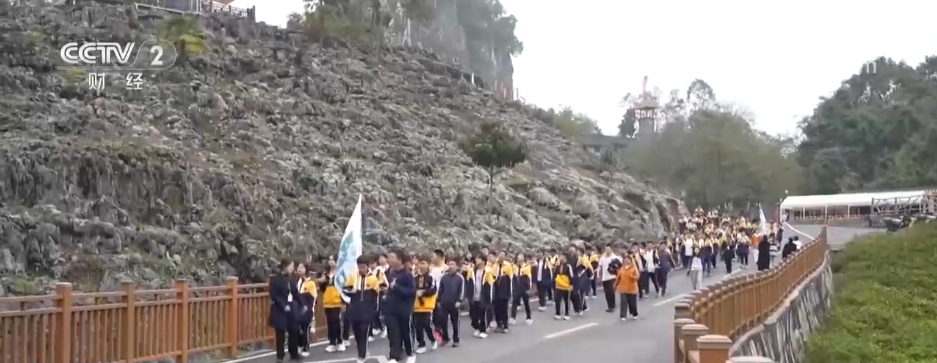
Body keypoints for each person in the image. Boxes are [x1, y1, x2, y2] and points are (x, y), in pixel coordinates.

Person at [343, 256, 380, 363]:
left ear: (368, 266)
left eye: (363, 267)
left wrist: (375, 310)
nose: (361, 269)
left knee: (364, 333)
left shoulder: (373, 278)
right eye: (359, 267)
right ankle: (361, 349)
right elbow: (344, 290)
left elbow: (376, 296)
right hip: (355, 310)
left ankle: (361, 355)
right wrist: (351, 291)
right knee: (357, 334)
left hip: (367, 311)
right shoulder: (353, 277)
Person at [384, 250, 417, 363]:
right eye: (388, 257)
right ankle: (394, 355)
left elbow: (412, 292)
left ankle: (410, 353)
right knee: (393, 332)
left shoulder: (407, 274)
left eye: (392, 257)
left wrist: (396, 287)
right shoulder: (389, 273)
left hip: (404, 308)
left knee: (406, 332)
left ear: (400, 259)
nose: (389, 259)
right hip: (391, 308)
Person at [269, 259, 301, 363]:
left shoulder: (292, 278)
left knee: (294, 330)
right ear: (285, 266)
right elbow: (274, 295)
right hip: (280, 309)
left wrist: (301, 304)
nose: (292, 268)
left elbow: (295, 293)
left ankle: (294, 354)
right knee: (280, 334)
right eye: (291, 266)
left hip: (291, 307)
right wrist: (283, 305)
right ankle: (280, 356)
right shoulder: (275, 278)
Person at [319, 256, 346, 352]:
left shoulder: (340, 272)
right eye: (329, 259)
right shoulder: (325, 273)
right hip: (327, 302)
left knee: (336, 322)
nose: (330, 261)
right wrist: (322, 282)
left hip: (337, 301)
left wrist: (343, 302)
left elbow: (344, 288)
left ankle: (340, 341)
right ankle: (332, 342)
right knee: (330, 322)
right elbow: (322, 289)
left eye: (332, 259)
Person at [413, 256, 439, 354]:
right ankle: (421, 344)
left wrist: (423, 292)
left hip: (427, 305)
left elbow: (433, 289)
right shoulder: (415, 277)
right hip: (416, 306)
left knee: (427, 324)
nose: (421, 265)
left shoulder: (431, 277)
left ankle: (433, 339)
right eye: (420, 263)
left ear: (428, 265)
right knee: (417, 326)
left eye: (424, 263)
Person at [436, 259, 465, 347]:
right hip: (444, 303)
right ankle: (445, 338)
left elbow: (462, 290)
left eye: (453, 264)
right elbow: (440, 289)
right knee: (443, 322)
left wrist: (459, 301)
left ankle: (456, 339)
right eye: (450, 264)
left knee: (455, 322)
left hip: (454, 304)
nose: (451, 266)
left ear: (456, 266)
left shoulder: (460, 278)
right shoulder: (444, 277)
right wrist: (438, 300)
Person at [465, 255, 492, 338]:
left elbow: (490, 285)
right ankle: (476, 327)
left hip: (482, 296)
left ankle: (483, 330)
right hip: (473, 296)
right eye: (476, 259)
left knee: (482, 314)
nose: (476, 260)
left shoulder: (488, 272)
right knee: (473, 315)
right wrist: (467, 295)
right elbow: (468, 283)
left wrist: (489, 297)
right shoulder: (471, 271)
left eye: (478, 259)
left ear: (483, 261)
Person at [296, 263, 317, 356]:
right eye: (298, 267)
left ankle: (306, 348)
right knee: (299, 329)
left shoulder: (310, 283)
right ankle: (299, 345)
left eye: (301, 267)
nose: (299, 269)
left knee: (305, 329)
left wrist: (310, 309)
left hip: (307, 310)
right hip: (298, 310)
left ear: (306, 270)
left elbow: (313, 298)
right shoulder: (298, 282)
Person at [511, 253, 533, 325]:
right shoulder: (514, 266)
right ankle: (513, 317)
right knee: (514, 302)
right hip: (516, 287)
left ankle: (528, 317)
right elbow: (512, 277)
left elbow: (529, 278)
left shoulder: (526, 267)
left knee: (526, 303)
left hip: (524, 288)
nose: (519, 259)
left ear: (524, 258)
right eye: (518, 257)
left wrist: (528, 288)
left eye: (521, 257)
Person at [598, 244, 620, 312]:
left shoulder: (614, 257)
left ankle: (612, 306)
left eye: (608, 249)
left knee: (611, 291)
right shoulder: (602, 258)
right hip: (605, 278)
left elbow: (619, 266)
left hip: (612, 277)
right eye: (606, 249)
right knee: (607, 293)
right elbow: (600, 266)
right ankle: (609, 305)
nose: (607, 251)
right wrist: (598, 275)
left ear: (611, 249)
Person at [553, 254, 574, 320]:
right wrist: (555, 279)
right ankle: (558, 313)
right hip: (558, 286)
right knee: (557, 300)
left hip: (566, 286)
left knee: (566, 300)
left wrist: (571, 284)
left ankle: (567, 313)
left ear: (565, 257)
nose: (560, 257)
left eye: (561, 256)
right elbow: (555, 274)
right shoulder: (558, 266)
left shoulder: (568, 266)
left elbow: (571, 276)